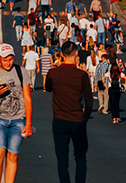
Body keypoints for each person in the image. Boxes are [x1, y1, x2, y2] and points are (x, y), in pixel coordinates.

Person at [0, 44, 34, 183]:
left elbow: (27, 98)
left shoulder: (20, 71)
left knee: (13, 156)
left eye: (10, 59)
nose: (8, 62)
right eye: (4, 59)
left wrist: (28, 124)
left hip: (18, 119)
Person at [46, 41, 91, 183]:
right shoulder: (82, 75)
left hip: (59, 119)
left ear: (61, 55)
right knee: (80, 156)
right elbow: (89, 102)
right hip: (77, 119)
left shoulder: (53, 73)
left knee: (62, 159)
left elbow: (48, 88)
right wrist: (85, 117)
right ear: (76, 53)